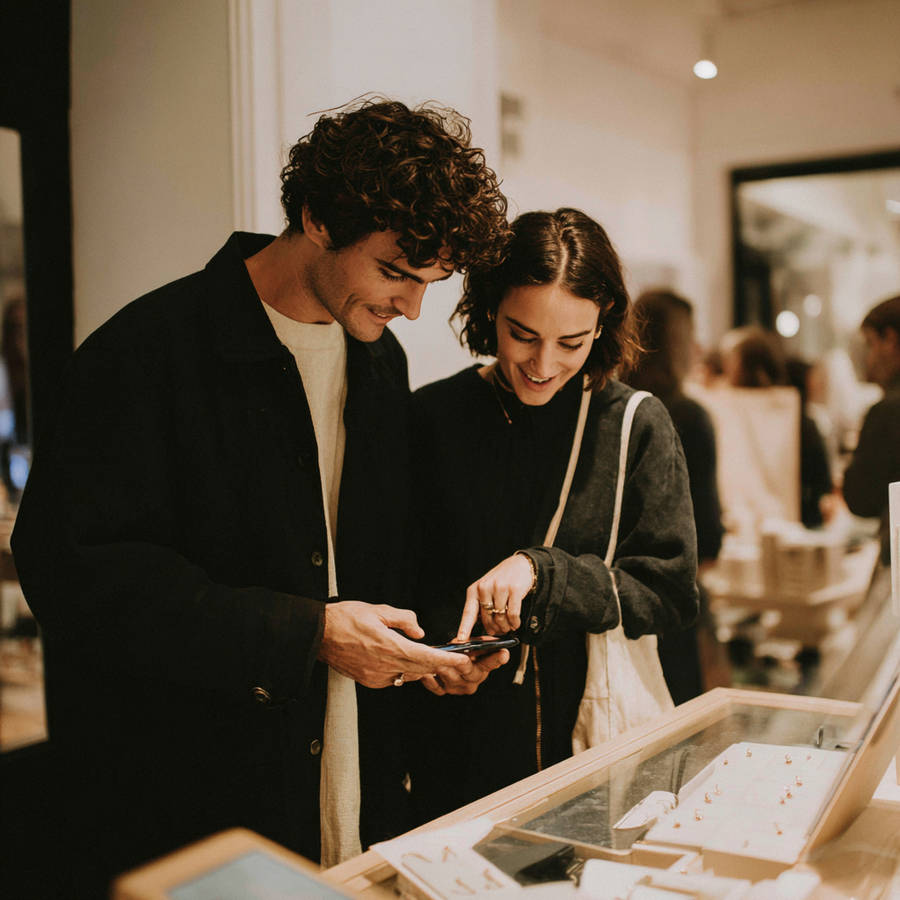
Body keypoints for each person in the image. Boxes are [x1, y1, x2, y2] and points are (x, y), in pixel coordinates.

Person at [10, 98, 511, 892]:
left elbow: (376, 554)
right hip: (200, 808)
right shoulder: (145, 353)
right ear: (316, 216)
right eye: (394, 273)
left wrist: (435, 650)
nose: (412, 307)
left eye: (432, 283)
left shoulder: (381, 365)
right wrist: (304, 632)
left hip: (355, 798)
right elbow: (75, 577)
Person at [407, 209, 699, 823]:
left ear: (604, 326)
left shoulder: (634, 425)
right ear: (490, 311)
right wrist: (437, 655)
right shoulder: (433, 418)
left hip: (591, 740)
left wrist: (544, 574)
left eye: (571, 343)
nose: (543, 364)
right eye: (522, 334)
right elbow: (398, 578)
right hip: (457, 743)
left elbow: (669, 593)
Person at [628, 289, 723, 704]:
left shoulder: (612, 407)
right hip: (670, 597)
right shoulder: (688, 415)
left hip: (617, 605)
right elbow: (708, 533)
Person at [719, 325, 832, 529]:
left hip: (796, 525)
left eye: (730, 362)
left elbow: (818, 478)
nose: (727, 372)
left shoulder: (789, 415)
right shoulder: (727, 411)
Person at [843, 294, 900, 565]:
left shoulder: (889, 411)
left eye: (870, 344)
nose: (867, 357)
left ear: (890, 341)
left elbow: (860, 499)